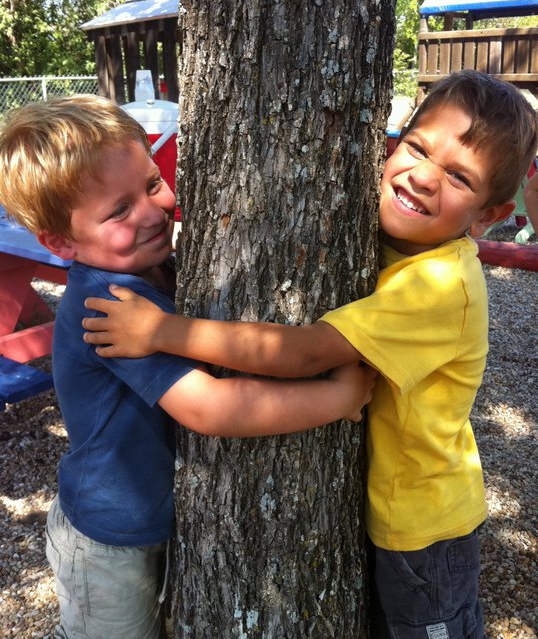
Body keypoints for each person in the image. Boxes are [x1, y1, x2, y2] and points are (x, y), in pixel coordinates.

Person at [82, 70, 538, 638]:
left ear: (490, 215)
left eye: (458, 177)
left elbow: (303, 352)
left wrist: (162, 332)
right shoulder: (391, 241)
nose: (423, 176)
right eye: (417, 147)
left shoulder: (442, 286)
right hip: (384, 512)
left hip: (423, 529)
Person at [0, 95, 376, 639]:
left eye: (152, 184)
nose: (155, 211)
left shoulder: (159, 268)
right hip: (107, 539)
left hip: (150, 521)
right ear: (60, 241)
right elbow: (213, 407)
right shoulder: (108, 309)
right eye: (119, 211)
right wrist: (340, 399)